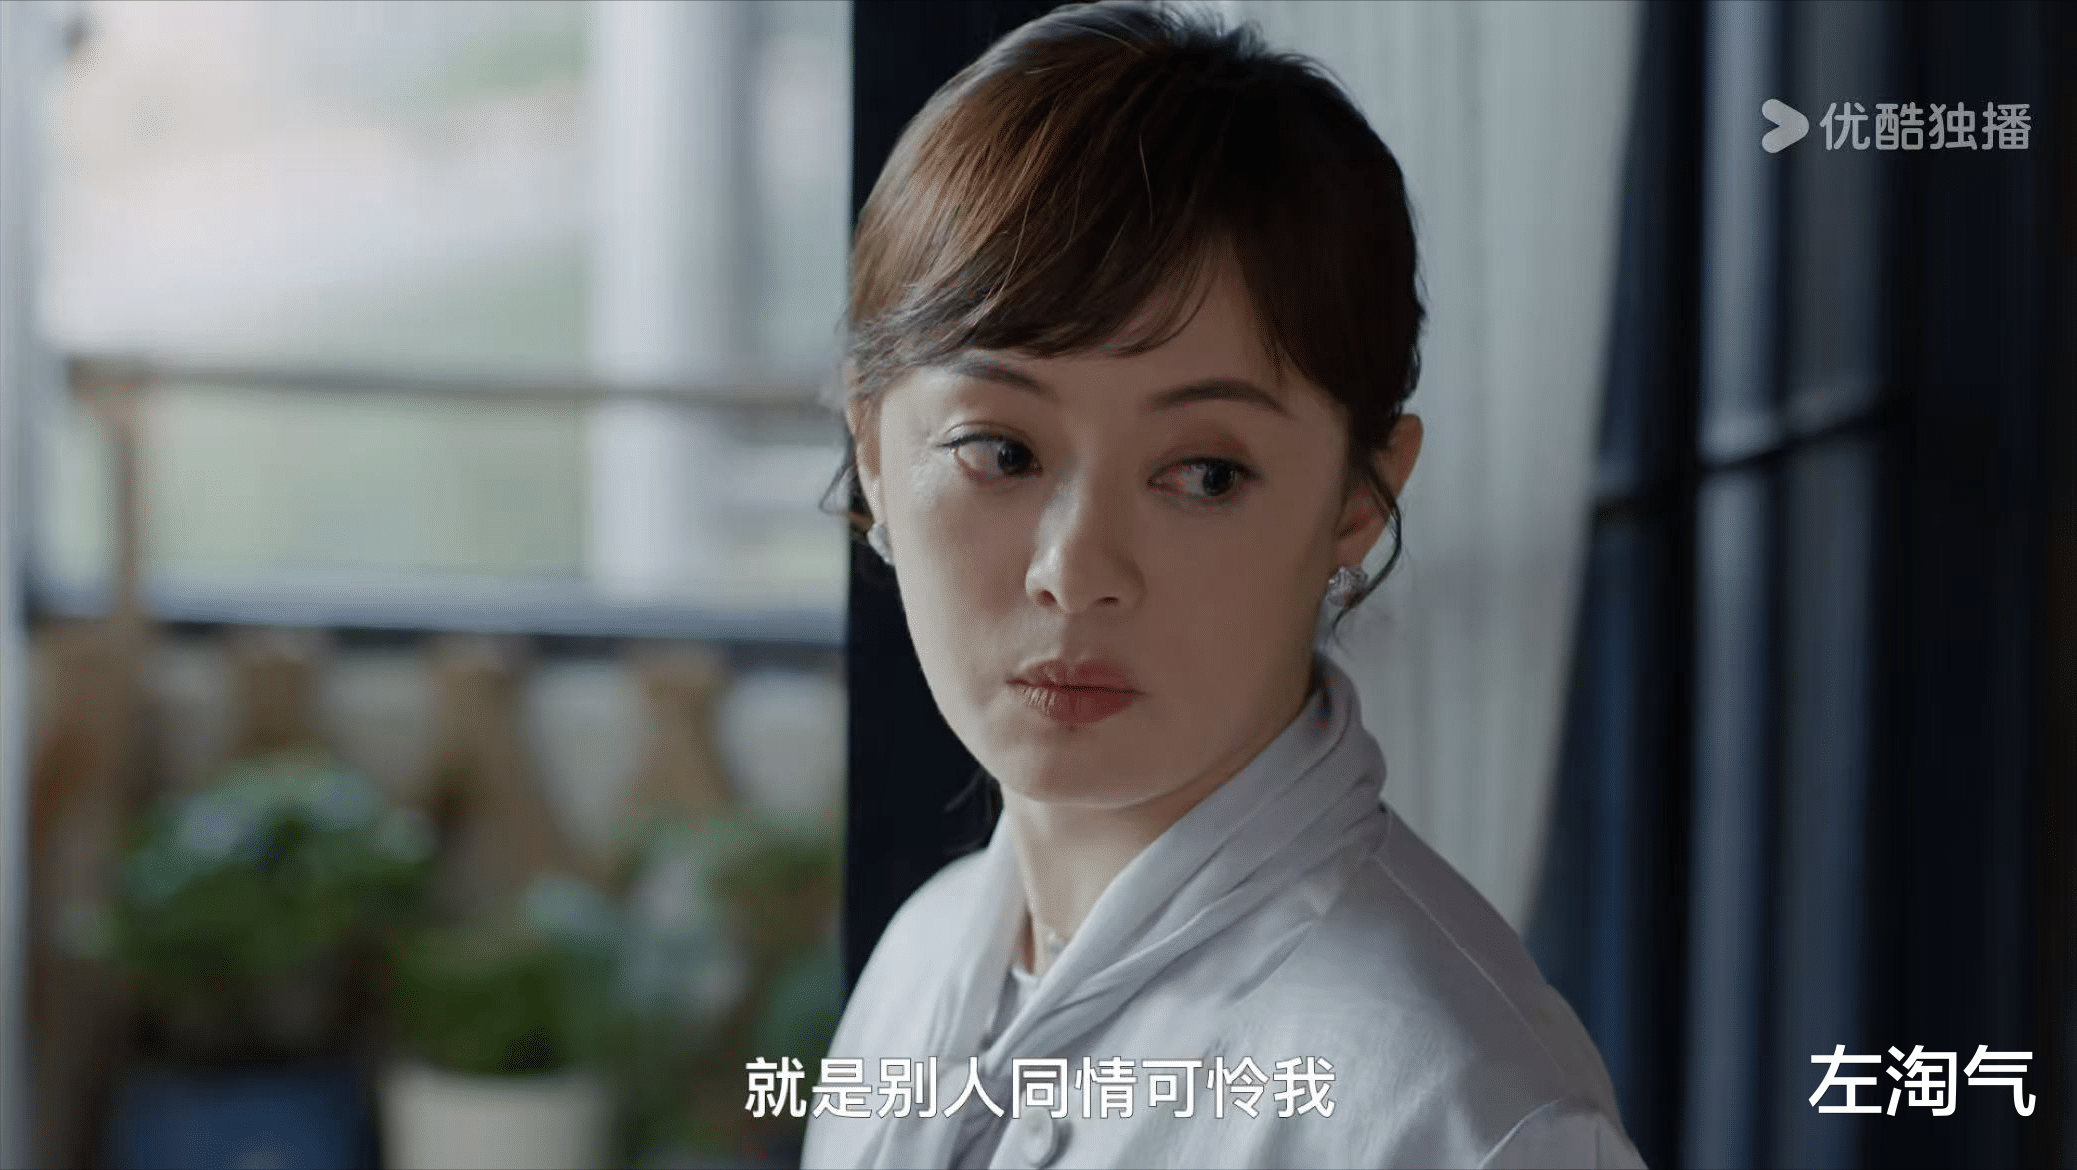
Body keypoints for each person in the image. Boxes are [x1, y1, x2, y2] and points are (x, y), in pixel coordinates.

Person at [803, 3, 1644, 1167]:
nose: (1075, 573)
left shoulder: (1452, 1111)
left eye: (1204, 474)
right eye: (1000, 451)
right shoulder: (925, 960)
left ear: (1359, 498)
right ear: (872, 452)